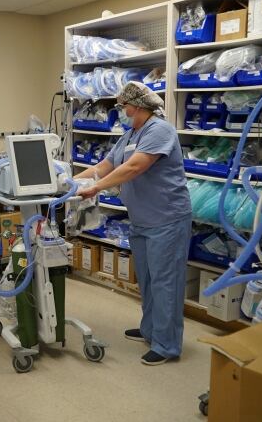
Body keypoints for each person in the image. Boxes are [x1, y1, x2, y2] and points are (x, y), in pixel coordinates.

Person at [74, 81, 192, 366]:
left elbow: (135, 167)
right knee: (149, 279)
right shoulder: (129, 135)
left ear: (137, 106)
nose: (122, 111)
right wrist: (69, 181)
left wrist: (96, 188)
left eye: (124, 106)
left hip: (167, 218)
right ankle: (151, 329)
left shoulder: (160, 129)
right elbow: (106, 166)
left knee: (166, 282)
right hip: (142, 219)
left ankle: (166, 345)